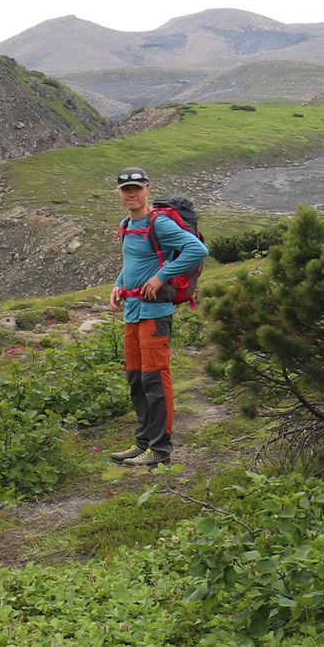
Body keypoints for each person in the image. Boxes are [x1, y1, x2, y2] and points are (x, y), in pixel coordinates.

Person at [107, 168, 206, 463]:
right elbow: (134, 261)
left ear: (149, 189)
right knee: (136, 378)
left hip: (155, 312)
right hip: (133, 311)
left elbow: (197, 249)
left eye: (137, 188)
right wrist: (118, 285)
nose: (131, 194)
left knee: (155, 378)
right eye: (126, 190)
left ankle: (160, 449)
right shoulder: (127, 223)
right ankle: (142, 442)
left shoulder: (158, 223)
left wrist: (161, 277)